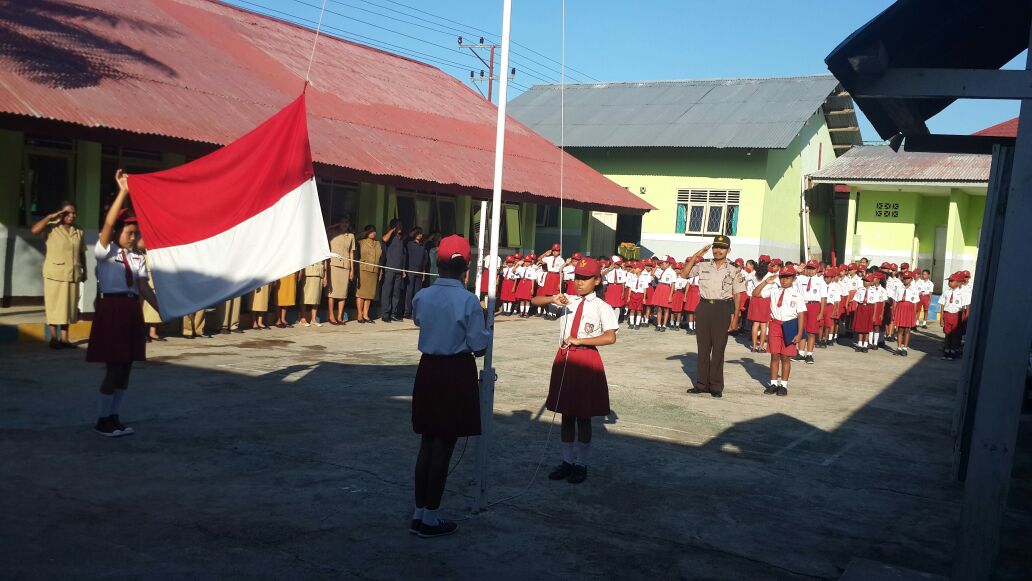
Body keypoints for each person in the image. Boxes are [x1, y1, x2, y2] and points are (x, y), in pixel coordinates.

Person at [409, 235, 490, 538]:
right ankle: (430, 517)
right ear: (466, 268)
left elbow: (420, 322)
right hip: (455, 370)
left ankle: (420, 511)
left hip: (428, 368)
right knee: (444, 444)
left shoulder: (423, 296)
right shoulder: (468, 300)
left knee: (427, 442)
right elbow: (478, 346)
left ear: (437, 263)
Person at [85, 170, 159, 437]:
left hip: (130, 310)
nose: (132, 235)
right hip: (112, 309)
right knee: (114, 367)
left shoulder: (137, 257)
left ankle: (114, 416)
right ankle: (101, 419)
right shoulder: (106, 252)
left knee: (127, 367)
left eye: (134, 232)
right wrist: (124, 192)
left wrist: (163, 308)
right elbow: (106, 224)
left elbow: (143, 287)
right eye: (128, 231)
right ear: (117, 232)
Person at [532, 256, 617, 484]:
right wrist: (553, 298)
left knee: (584, 416)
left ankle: (581, 464)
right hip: (564, 358)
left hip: (586, 359)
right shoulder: (567, 300)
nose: (579, 283)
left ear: (597, 280)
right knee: (566, 414)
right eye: (577, 278)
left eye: (585, 279)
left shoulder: (602, 306)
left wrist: (581, 341)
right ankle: (567, 461)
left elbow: (610, 337)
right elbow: (534, 300)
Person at [679, 236, 745, 398]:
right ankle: (701, 384)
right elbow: (684, 274)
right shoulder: (702, 265)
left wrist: (735, 317)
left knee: (718, 349)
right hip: (704, 307)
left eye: (722, 248)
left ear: (728, 250)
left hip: (722, 309)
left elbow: (737, 294)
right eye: (715, 247)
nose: (717, 250)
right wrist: (698, 254)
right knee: (703, 349)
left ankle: (716, 386)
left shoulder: (734, 269)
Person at [31, 201, 86, 349]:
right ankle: (54, 338)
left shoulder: (78, 231)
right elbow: (35, 230)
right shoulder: (51, 227)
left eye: (74, 212)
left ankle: (65, 339)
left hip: (73, 273)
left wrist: (84, 271)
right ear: (60, 213)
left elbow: (82, 253)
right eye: (67, 212)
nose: (71, 215)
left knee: (69, 307)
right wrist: (50, 217)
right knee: (55, 306)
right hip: (54, 274)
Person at [754, 264, 805, 396]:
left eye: (787, 277)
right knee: (774, 355)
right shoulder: (774, 290)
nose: (784, 280)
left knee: (786, 357)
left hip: (790, 325)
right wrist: (766, 281)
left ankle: (784, 385)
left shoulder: (797, 295)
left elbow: (801, 315)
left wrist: (799, 333)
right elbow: (755, 294)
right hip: (775, 325)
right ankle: (773, 384)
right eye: (782, 277)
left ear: (794, 278)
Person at [326, 215, 356, 326]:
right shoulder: (332, 233)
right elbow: (323, 231)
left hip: (345, 266)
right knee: (332, 292)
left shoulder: (351, 236)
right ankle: (331, 316)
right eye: (342, 222)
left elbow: (351, 252)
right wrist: (334, 226)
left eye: (346, 222)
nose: (344, 224)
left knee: (343, 293)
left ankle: (339, 316)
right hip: (333, 265)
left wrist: (352, 270)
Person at [795, 260, 826, 364]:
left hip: (814, 305)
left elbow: (823, 298)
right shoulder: (801, 279)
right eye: (809, 268)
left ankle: (809, 354)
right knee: (802, 330)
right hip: (803, 305)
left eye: (813, 268)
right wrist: (798, 270)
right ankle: (801, 353)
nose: (810, 271)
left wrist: (821, 313)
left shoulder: (821, 281)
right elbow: (792, 277)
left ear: (817, 269)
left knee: (811, 332)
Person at [380, 219, 407, 322]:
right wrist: (393, 229)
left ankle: (393, 314)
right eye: (398, 226)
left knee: (396, 293)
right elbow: (384, 239)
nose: (400, 228)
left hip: (399, 270)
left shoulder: (401, 239)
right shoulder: (390, 236)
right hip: (390, 268)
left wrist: (403, 269)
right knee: (387, 291)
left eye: (401, 226)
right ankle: (385, 314)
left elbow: (403, 256)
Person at [355, 224, 382, 324]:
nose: (374, 233)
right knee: (361, 293)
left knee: (369, 294)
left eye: (374, 231)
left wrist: (380, 271)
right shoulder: (361, 242)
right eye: (371, 231)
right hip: (363, 270)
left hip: (374, 270)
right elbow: (355, 238)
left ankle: (366, 315)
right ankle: (359, 314)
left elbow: (380, 259)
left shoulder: (378, 243)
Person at [940, 273, 969, 360]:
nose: (950, 283)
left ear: (958, 282)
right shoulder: (946, 292)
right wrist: (942, 317)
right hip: (947, 314)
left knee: (955, 334)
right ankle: (947, 350)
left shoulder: (962, 293)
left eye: (952, 281)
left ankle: (953, 351)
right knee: (947, 333)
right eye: (949, 281)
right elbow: (942, 304)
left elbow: (967, 307)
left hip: (957, 315)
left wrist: (965, 319)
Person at [892, 270, 920, 356]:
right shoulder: (899, 288)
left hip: (909, 310)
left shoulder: (914, 289)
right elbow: (895, 300)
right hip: (900, 308)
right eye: (904, 278)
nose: (906, 280)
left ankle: (905, 348)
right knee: (900, 329)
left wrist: (914, 316)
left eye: (908, 278)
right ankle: (899, 347)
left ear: (911, 279)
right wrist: (894, 312)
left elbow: (915, 303)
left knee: (907, 330)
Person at [747, 256, 771, 352]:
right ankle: (761, 347)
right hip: (765, 299)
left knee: (755, 324)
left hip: (755, 299)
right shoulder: (770, 274)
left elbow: (745, 279)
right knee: (764, 325)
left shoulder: (754, 273)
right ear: (768, 264)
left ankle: (753, 346)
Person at [404, 227, 429, 319]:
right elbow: (405, 257)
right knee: (409, 292)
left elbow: (424, 260)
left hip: (419, 272)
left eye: (421, 233)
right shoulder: (409, 244)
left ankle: (415, 313)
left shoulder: (423, 246)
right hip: (410, 271)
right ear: (415, 234)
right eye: (418, 233)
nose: (420, 235)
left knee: (417, 293)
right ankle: (407, 312)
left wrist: (423, 272)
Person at [850, 275, 878, 353]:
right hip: (861, 307)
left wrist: (874, 315)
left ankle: (865, 345)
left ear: (870, 282)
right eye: (863, 281)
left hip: (869, 308)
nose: (864, 282)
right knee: (860, 327)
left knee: (867, 328)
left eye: (866, 281)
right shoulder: (859, 290)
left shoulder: (874, 291)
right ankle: (859, 344)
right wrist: (856, 310)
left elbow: (875, 304)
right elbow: (856, 301)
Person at [300, 258, 327, 327]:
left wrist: (325, 276)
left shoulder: (322, 246)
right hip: (308, 272)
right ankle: (303, 318)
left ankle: (313, 319)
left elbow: (325, 260)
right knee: (305, 297)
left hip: (319, 272)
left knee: (316, 298)